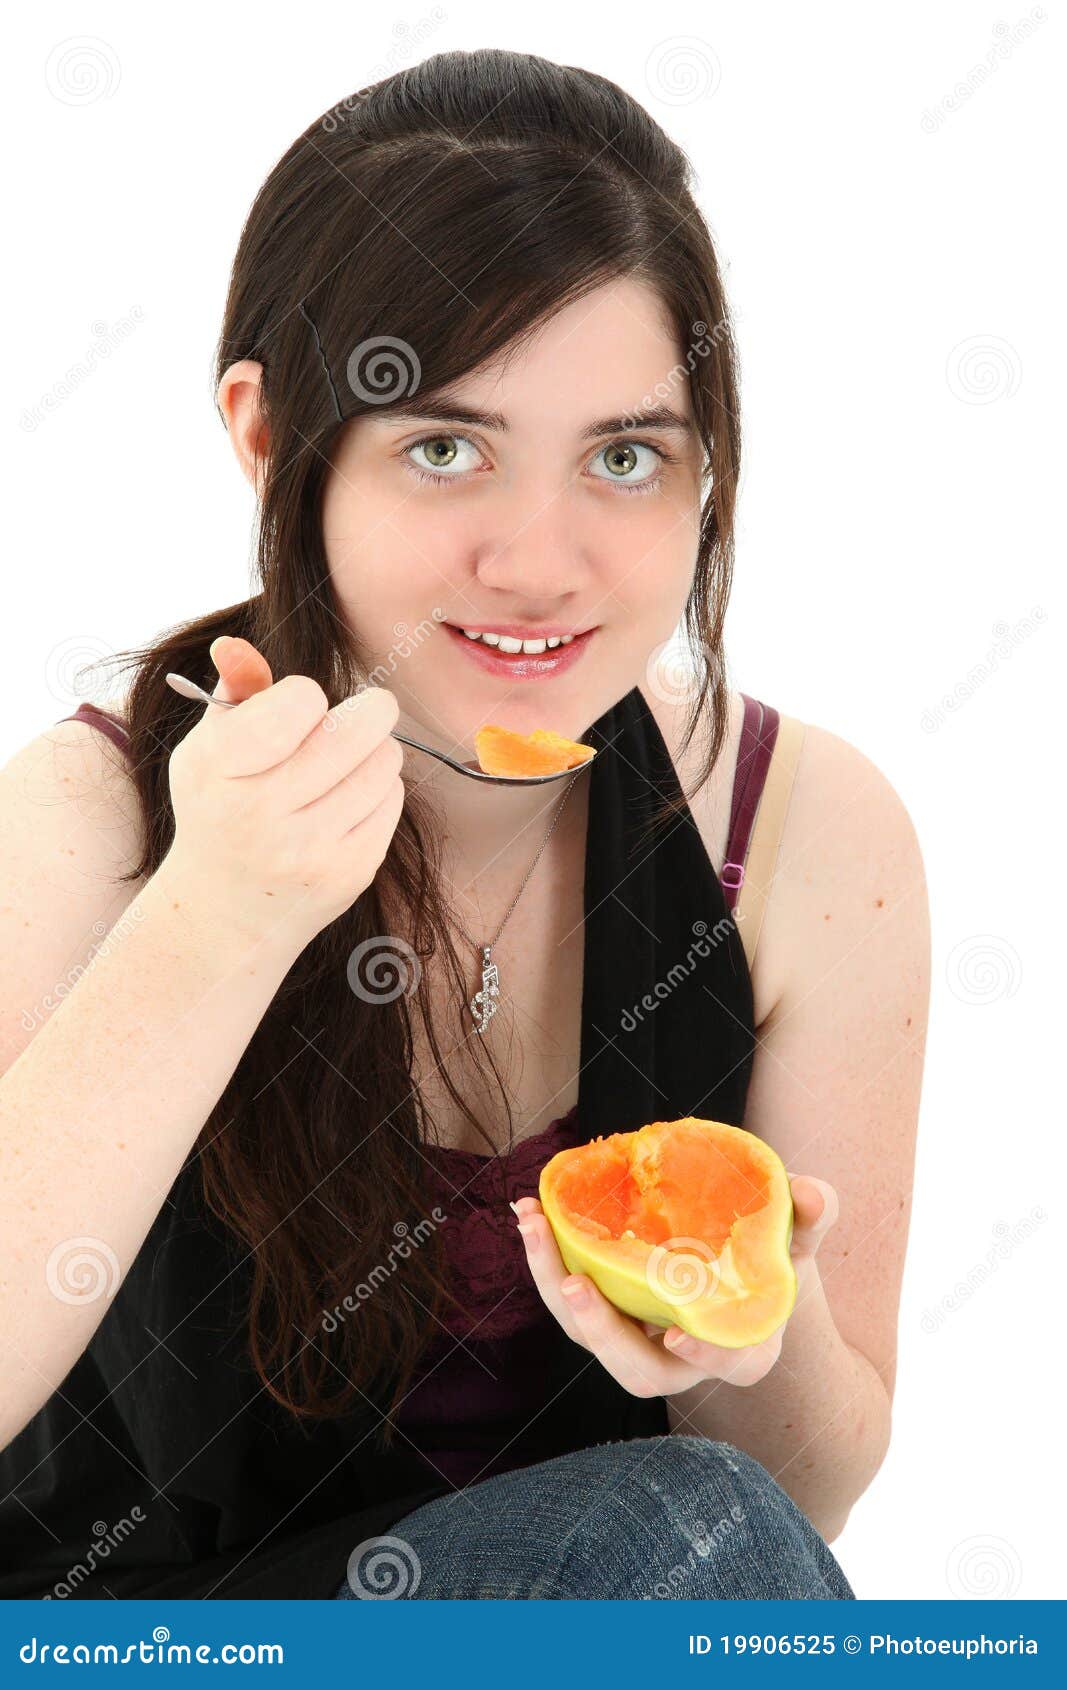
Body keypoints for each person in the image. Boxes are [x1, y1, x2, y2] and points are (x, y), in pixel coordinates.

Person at [0, 48, 928, 1602]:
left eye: (625, 458)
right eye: (446, 447)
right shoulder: (91, 821)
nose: (542, 563)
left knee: (693, 1527)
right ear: (270, 434)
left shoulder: (805, 835)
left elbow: (799, 1504)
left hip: (612, 1615)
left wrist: (760, 1337)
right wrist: (211, 928)